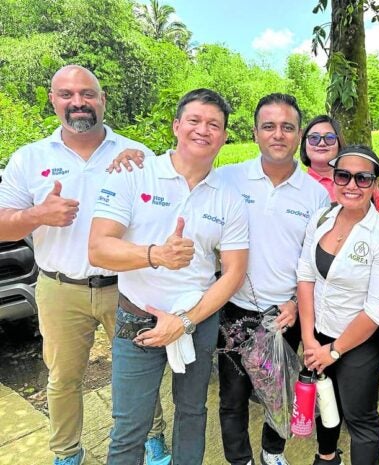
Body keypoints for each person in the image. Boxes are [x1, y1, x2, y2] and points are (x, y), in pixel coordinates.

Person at [0, 65, 168, 465]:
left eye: (87, 94)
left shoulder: (137, 154)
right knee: (62, 378)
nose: (78, 102)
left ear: (102, 99)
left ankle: (153, 436)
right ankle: (67, 452)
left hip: (128, 286)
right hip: (60, 288)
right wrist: (37, 215)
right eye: (67, 94)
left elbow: (166, 209)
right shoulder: (30, 158)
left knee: (138, 374)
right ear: (53, 100)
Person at [88, 88, 249, 465]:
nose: (203, 130)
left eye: (214, 124)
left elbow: (235, 271)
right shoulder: (133, 173)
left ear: (225, 137)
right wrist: (155, 255)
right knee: (130, 424)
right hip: (135, 318)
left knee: (192, 413)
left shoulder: (229, 197)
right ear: (177, 126)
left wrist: (185, 321)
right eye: (194, 120)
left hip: (197, 319)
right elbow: (98, 248)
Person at [216, 93, 330, 465]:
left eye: (287, 127)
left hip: (285, 314)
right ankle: (240, 459)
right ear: (255, 133)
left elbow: (315, 262)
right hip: (234, 308)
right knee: (232, 397)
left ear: (298, 136)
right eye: (269, 126)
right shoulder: (228, 179)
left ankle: (272, 451)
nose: (277, 134)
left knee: (278, 391)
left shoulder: (315, 195)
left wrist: (297, 304)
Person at [297, 145, 379, 465]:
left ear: (375, 184)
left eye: (362, 178)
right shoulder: (322, 217)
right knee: (323, 401)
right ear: (335, 178)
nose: (352, 185)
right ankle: (327, 457)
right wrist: (310, 338)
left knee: (359, 418)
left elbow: (377, 310)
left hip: (359, 343)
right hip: (318, 334)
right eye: (343, 175)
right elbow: (305, 275)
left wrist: (333, 351)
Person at [300, 115, 379, 219]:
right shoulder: (298, 186)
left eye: (329, 138)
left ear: (339, 143)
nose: (321, 143)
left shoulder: (362, 177)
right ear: (304, 143)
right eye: (314, 138)